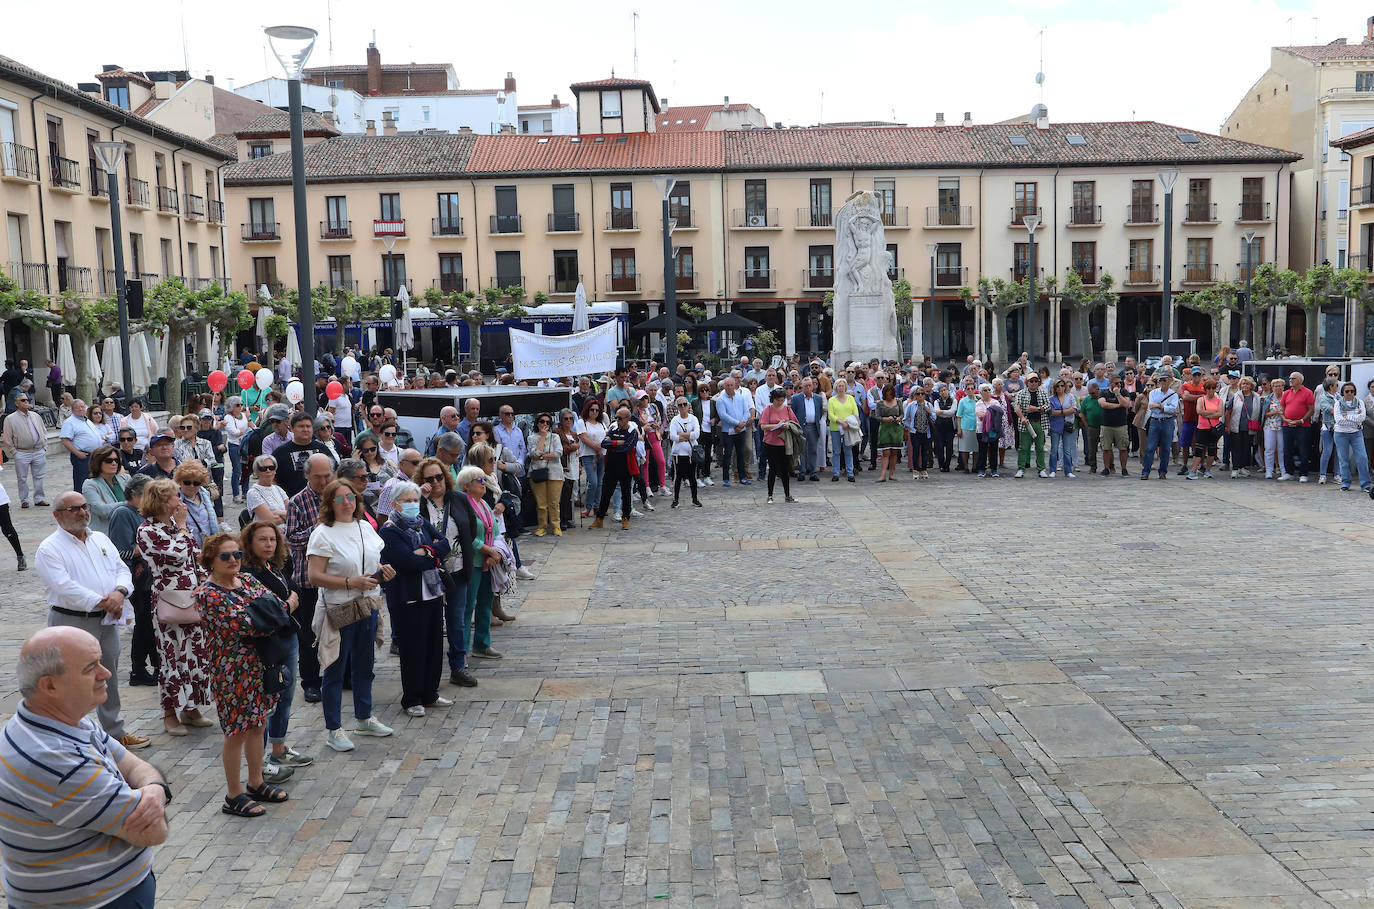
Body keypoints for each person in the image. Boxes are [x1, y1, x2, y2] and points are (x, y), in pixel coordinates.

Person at [1, 626, 168, 907]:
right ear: (50, 686)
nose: (106, 673)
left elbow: (131, 763)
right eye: (91, 667)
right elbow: (153, 831)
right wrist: (153, 794)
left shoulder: (62, 720)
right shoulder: (58, 764)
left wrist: (154, 790)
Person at [33, 491, 150, 751]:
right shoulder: (50, 548)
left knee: (107, 674)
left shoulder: (100, 538)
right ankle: (76, 736)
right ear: (57, 515)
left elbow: (121, 569)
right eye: (74, 509)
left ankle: (115, 732)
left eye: (84, 507)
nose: (82, 512)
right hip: (71, 620)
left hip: (106, 619)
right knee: (72, 678)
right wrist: (103, 600)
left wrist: (119, 593)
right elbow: (63, 586)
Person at [193, 531, 291, 817]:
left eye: (237, 554)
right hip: (232, 670)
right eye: (226, 556)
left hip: (260, 664)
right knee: (236, 731)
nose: (233, 560)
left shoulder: (246, 579)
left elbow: (279, 606)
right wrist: (265, 614)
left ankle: (256, 782)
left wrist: (266, 614)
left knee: (259, 724)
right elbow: (245, 623)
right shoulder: (208, 594)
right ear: (211, 560)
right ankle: (233, 794)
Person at [308, 478, 396, 753]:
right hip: (339, 606)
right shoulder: (323, 533)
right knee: (334, 669)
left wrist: (383, 570)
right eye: (339, 498)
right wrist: (350, 583)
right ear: (329, 504)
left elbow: (370, 561)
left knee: (364, 665)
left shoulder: (364, 527)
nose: (346, 503)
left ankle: (364, 718)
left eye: (351, 497)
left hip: (367, 603)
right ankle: (334, 729)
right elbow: (314, 576)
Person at [136, 478, 212, 737]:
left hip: (192, 595)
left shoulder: (174, 526)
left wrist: (204, 578)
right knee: (172, 656)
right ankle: (170, 713)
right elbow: (176, 555)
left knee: (194, 654)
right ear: (161, 501)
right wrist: (182, 527)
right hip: (169, 599)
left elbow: (193, 554)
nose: (179, 501)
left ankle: (191, 709)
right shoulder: (148, 531)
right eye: (174, 497)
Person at [241, 520, 313, 780]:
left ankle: (279, 748)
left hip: (288, 636)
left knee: (286, 694)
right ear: (250, 543)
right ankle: (259, 763)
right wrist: (289, 604)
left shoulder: (277, 566)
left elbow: (293, 590)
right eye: (262, 539)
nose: (269, 544)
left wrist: (289, 603)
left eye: (272, 539)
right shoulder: (248, 574)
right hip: (267, 644)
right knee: (266, 701)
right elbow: (269, 611)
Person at [379, 480, 455, 716]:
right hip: (407, 597)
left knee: (434, 645)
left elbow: (444, 544)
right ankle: (412, 698)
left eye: (415, 500)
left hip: (431, 593)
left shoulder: (422, 523)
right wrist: (429, 555)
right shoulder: (390, 530)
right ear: (395, 504)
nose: (412, 504)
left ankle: (430, 692)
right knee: (413, 648)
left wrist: (427, 552)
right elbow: (406, 562)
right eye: (407, 501)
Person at [286, 454, 334, 704]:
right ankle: (311, 683)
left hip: (336, 579)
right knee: (309, 637)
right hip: (308, 581)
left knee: (336, 631)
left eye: (328, 475)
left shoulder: (339, 496)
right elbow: (292, 540)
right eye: (318, 477)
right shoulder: (297, 502)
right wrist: (317, 526)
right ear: (307, 475)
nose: (324, 481)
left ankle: (337, 677)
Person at [108, 473, 158, 688]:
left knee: (150, 623)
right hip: (137, 579)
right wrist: (153, 544)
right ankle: (139, 668)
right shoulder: (122, 513)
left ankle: (150, 666)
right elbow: (121, 551)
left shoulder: (144, 513)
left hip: (150, 576)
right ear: (135, 495)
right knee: (145, 623)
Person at [457, 460, 503, 659]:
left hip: (487, 561)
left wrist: (497, 552)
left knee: (486, 602)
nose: (483, 483)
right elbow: (465, 534)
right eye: (479, 480)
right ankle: (462, 650)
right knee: (467, 606)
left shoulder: (484, 503)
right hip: (472, 561)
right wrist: (488, 551)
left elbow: (496, 530)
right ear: (466, 485)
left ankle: (482, 644)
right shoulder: (463, 504)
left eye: (484, 480)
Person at [590, 408, 640, 530]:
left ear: (628, 418)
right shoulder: (612, 429)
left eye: (620, 418)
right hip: (611, 466)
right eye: (616, 418)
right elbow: (603, 444)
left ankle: (626, 519)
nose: (617, 420)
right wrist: (617, 443)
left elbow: (627, 448)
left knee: (626, 493)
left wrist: (613, 444)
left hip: (625, 467)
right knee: (606, 494)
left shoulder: (632, 431)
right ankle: (599, 519)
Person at [1, 389, 47, 508]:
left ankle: (39, 498)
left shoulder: (35, 415)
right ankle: (24, 500)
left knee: (39, 476)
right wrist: (14, 452)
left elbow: (43, 430)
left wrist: (44, 446)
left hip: (38, 450)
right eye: (23, 400)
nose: (26, 402)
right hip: (22, 452)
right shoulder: (10, 419)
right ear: (17, 403)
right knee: (22, 478)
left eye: (27, 399)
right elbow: (7, 438)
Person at [274, 412, 332, 497]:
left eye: (308, 426)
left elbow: (335, 472)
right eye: (301, 426)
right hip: (291, 502)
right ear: (292, 429)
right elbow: (272, 479)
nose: (305, 429)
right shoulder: (280, 453)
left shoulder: (322, 449)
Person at [526, 412, 564, 536]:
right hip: (538, 473)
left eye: (548, 422)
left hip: (555, 473)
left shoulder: (555, 437)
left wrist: (542, 457)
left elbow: (558, 453)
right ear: (537, 423)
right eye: (542, 421)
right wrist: (542, 437)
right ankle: (542, 526)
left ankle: (556, 526)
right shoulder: (531, 438)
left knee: (554, 503)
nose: (545, 424)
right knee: (541, 503)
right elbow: (534, 454)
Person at [1140, 372, 1179, 480]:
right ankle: (1146, 471)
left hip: (1167, 422)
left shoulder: (1173, 394)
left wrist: (1160, 407)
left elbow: (1173, 409)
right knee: (1150, 447)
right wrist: (1164, 407)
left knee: (1166, 448)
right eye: (1160, 380)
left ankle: (1163, 472)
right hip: (1155, 420)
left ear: (1170, 381)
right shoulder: (1153, 393)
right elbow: (1151, 406)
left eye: (1164, 380)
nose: (1161, 382)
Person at [175, 459, 222, 546]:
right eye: (187, 482)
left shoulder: (205, 496)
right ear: (179, 481)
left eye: (196, 483)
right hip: (187, 548)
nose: (191, 486)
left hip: (208, 547)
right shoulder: (175, 500)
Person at [82, 444, 127, 535]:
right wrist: (128, 503)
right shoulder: (90, 484)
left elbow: (141, 504)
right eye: (109, 460)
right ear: (98, 462)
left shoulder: (126, 479)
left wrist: (110, 505)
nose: (114, 463)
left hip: (128, 531)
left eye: (116, 460)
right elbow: (102, 510)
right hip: (105, 534)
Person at [715, 377, 752, 487]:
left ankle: (742, 476)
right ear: (724, 386)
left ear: (735, 385)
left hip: (741, 430)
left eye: (732, 385)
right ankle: (726, 478)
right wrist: (737, 423)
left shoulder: (740, 397)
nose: (730, 387)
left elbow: (747, 412)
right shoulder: (721, 399)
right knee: (728, 454)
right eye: (728, 385)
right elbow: (723, 416)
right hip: (728, 431)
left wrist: (742, 423)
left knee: (741, 453)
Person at [1279, 371, 1315, 482]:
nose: (1290, 380)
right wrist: (1286, 419)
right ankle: (1288, 472)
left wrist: (1301, 420)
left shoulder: (1308, 392)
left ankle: (1303, 474)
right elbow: (1282, 409)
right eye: (1290, 378)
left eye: (1293, 378)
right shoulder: (1286, 393)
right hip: (1287, 425)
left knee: (1303, 449)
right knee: (1287, 449)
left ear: (1300, 380)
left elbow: (1311, 410)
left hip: (1303, 426)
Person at [60, 398, 104, 489]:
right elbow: (65, 440)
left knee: (95, 481)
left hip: (95, 456)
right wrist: (78, 453)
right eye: (77, 407)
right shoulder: (69, 422)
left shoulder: (87, 421)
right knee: (82, 482)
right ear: (72, 410)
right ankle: (80, 502)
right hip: (83, 456)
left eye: (82, 407)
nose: (80, 409)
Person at [668, 397, 702, 508]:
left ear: (688, 406)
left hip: (691, 453)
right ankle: (675, 499)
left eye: (684, 404)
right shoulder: (675, 420)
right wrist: (688, 435)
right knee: (678, 477)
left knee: (693, 476)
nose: (683, 407)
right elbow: (673, 436)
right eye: (680, 405)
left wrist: (681, 435)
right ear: (677, 407)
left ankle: (695, 499)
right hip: (678, 453)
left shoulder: (693, 419)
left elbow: (696, 434)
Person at [1187, 378, 1223, 479]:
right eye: (1208, 388)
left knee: (1212, 449)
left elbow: (1220, 413)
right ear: (1205, 389)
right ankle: (1193, 470)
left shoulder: (1219, 401)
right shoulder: (1201, 399)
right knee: (1198, 449)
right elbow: (1199, 411)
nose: (1210, 390)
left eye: (1212, 388)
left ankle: (1208, 470)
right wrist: (1213, 413)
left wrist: (1206, 414)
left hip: (1213, 428)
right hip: (1202, 427)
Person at [790, 377, 825, 482]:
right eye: (806, 386)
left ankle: (813, 472)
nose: (808, 388)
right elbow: (792, 413)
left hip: (814, 426)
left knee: (813, 450)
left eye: (810, 385)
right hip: (801, 427)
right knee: (802, 450)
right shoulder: (796, 398)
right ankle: (802, 472)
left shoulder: (818, 398)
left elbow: (820, 412)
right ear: (802, 387)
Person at [577, 400, 608, 519]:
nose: (594, 412)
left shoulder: (601, 423)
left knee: (600, 482)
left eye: (597, 410)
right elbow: (584, 438)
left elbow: (607, 436)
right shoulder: (582, 422)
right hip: (589, 455)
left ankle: (597, 505)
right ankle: (588, 506)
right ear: (587, 410)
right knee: (593, 482)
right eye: (592, 409)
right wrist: (598, 448)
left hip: (602, 455)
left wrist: (602, 448)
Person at [1098, 377, 1131, 477]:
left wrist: (1118, 394)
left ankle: (1124, 469)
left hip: (1121, 424)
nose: (1119, 385)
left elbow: (1126, 404)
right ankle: (1106, 468)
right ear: (1110, 383)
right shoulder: (1104, 392)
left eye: (1120, 383)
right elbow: (1103, 404)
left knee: (1123, 448)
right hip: (1107, 424)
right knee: (1106, 448)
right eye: (1116, 383)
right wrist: (1117, 405)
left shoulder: (1124, 392)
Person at [826, 378, 858, 482]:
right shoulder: (831, 400)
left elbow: (855, 413)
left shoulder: (850, 398)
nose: (841, 388)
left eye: (842, 386)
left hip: (848, 428)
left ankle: (850, 473)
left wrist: (848, 423)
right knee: (836, 451)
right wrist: (841, 422)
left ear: (845, 387)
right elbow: (830, 415)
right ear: (836, 387)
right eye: (839, 386)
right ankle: (836, 473)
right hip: (836, 428)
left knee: (848, 450)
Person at [872, 383, 903, 483]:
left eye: (890, 394)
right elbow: (877, 417)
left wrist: (898, 418)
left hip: (896, 428)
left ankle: (892, 474)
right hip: (885, 428)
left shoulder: (898, 401)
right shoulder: (880, 403)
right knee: (886, 452)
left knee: (894, 452)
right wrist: (886, 419)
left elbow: (902, 414)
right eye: (887, 394)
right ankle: (883, 475)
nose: (889, 396)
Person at [1315, 377, 1338, 485]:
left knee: (1339, 452)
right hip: (1328, 427)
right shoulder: (1323, 397)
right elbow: (1329, 409)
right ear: (1331, 387)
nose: (1338, 387)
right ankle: (1323, 475)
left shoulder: (1338, 396)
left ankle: (1337, 474)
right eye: (1336, 385)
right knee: (1327, 451)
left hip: (1338, 427)